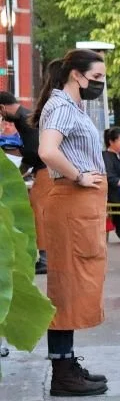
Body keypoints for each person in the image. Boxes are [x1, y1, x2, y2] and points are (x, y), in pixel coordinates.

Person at [33, 49, 109, 397]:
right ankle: (62, 373)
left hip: (80, 205)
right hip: (72, 201)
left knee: (76, 285)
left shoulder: (71, 106)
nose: (100, 84)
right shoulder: (62, 106)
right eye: (96, 77)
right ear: (76, 75)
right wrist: (78, 176)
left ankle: (67, 363)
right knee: (66, 286)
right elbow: (47, 151)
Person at [0, 89, 52, 274]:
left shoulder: (25, 121)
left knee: (38, 210)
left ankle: (45, 257)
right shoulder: (27, 115)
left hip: (47, 169)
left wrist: (17, 173)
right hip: (46, 168)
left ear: (2, 108)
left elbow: (32, 152)